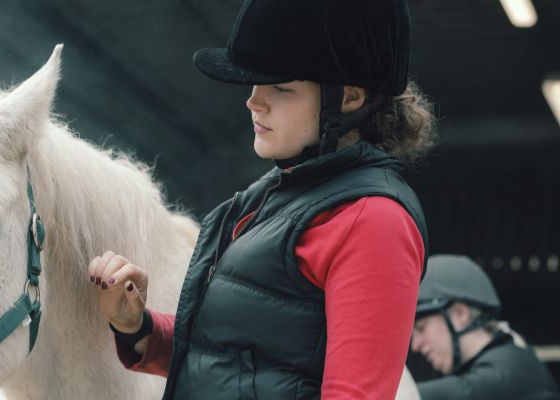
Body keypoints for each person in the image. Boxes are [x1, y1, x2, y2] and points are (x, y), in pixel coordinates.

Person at [87, 0, 436, 398]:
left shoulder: (373, 220)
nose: (253, 100)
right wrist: (137, 326)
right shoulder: (267, 200)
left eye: (281, 88)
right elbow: (225, 364)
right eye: (256, 84)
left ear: (350, 98)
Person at [411, 254, 559, 400]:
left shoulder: (511, 369)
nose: (415, 346)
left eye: (421, 327)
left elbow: (462, 392)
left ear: (460, 314)